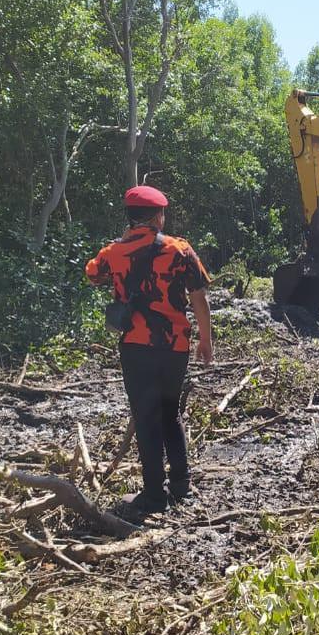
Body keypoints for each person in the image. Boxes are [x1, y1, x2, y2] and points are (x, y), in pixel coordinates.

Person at [85, 185, 213, 515]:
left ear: (130, 218)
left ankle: (154, 494)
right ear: (158, 216)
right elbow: (200, 297)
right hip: (175, 347)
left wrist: (123, 240)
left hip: (136, 347)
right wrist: (206, 341)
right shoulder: (180, 249)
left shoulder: (113, 252)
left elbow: (92, 276)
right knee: (170, 413)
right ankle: (182, 486)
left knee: (146, 418)